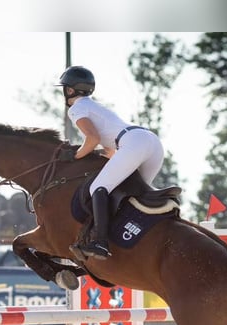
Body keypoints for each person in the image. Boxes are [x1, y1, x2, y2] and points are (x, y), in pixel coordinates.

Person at [56, 65, 165, 260]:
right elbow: (109, 152)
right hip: (151, 143)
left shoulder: (77, 108)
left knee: (98, 187)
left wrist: (74, 157)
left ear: (69, 90)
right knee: (138, 194)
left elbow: (92, 138)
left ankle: (100, 242)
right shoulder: (95, 106)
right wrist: (91, 152)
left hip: (133, 143)